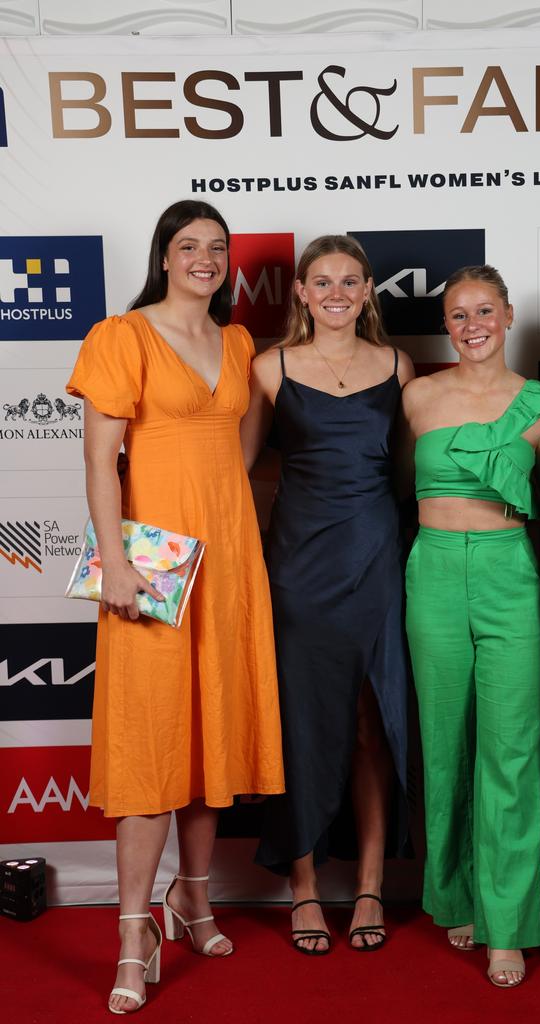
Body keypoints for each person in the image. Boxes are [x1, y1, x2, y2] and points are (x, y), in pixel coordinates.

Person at [67, 199, 284, 1014]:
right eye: (188, 246)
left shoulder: (237, 344)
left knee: (205, 735)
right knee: (150, 744)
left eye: (216, 247)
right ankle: (133, 930)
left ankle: (194, 898)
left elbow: (242, 453)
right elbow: (99, 460)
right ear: (163, 256)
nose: (204, 258)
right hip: (152, 564)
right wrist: (115, 561)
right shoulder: (119, 337)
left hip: (228, 560)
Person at [240, 235, 415, 954]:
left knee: (375, 722)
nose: (337, 291)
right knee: (302, 725)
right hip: (297, 569)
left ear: (368, 290)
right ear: (302, 294)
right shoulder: (269, 367)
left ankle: (370, 883)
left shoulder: (400, 366)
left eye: (350, 280)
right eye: (322, 281)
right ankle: (304, 887)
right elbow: (239, 470)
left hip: (378, 559)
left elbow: (411, 474)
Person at [400, 264, 540, 988]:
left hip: (507, 569)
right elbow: (389, 485)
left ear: (507, 315)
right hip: (431, 568)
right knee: (446, 745)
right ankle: (458, 894)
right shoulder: (417, 396)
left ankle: (508, 924)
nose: (472, 326)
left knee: (512, 749)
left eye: (484, 312)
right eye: (458, 315)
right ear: (448, 324)